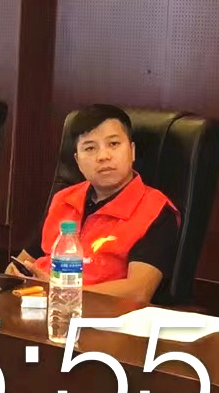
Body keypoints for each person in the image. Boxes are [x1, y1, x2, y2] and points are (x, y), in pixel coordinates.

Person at [9, 105, 179, 301]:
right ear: (77, 160)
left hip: (101, 314)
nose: (103, 156)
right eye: (90, 148)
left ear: (132, 151)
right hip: (38, 304)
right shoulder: (63, 200)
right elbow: (20, 263)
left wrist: (61, 290)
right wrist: (16, 274)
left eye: (113, 144)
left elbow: (138, 291)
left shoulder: (155, 210)